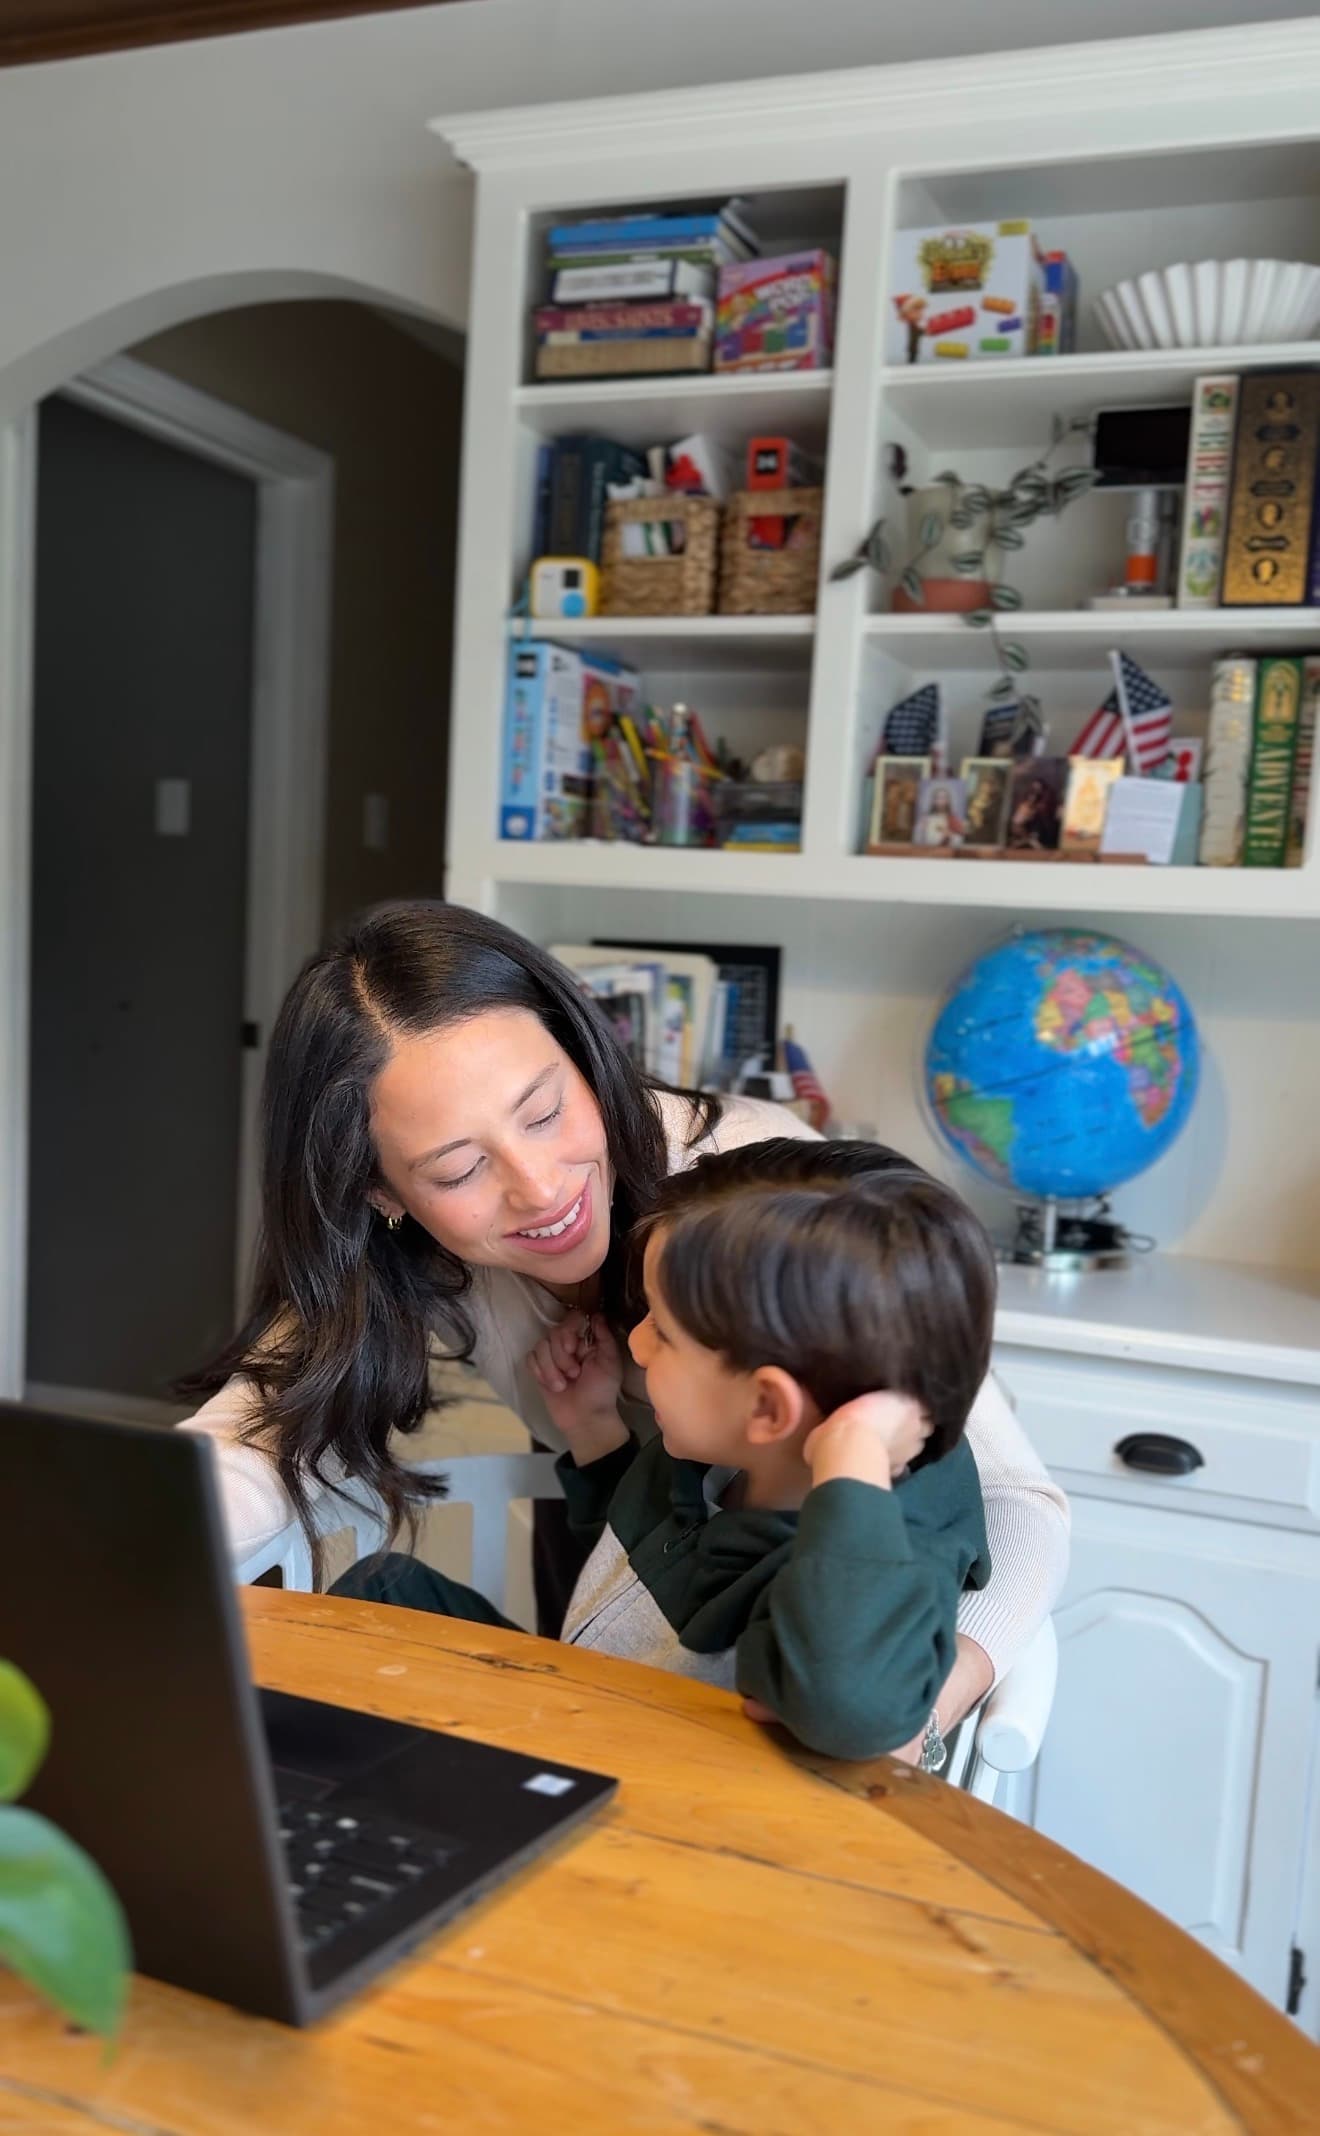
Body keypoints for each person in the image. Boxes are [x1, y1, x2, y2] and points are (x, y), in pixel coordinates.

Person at [180, 901, 1068, 1731]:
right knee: (391, 1605)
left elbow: (1013, 1503)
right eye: (457, 1172)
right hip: (623, 1567)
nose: (540, 1189)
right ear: (382, 1195)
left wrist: (909, 1710)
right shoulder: (415, 1257)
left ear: (584, 1055)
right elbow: (268, 1420)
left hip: (805, 1647)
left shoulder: (763, 1204)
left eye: (545, 1111)